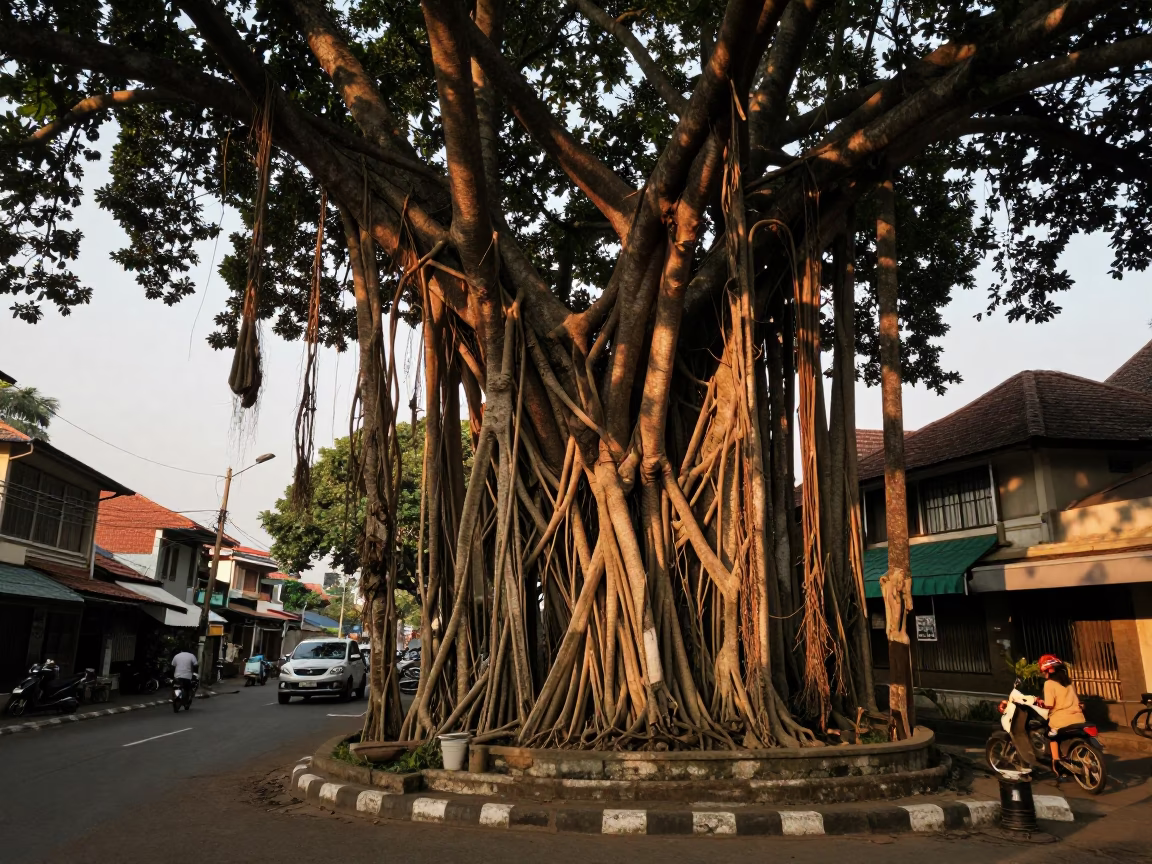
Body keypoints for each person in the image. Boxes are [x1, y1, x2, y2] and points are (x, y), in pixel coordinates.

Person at [1038, 653, 1085, 770]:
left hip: (1061, 721)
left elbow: (1049, 704)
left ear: (1049, 670)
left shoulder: (1049, 684)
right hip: (1079, 718)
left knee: (1051, 735)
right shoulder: (1069, 683)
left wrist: (1039, 702)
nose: (1044, 674)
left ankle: (1056, 763)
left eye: (1044, 672)